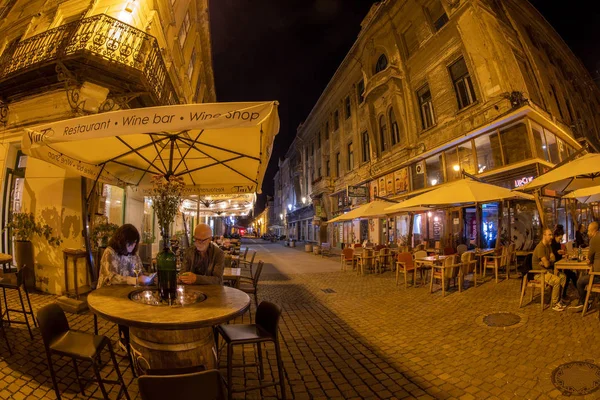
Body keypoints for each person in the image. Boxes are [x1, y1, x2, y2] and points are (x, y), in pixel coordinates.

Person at [97, 224, 153, 288]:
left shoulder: (134, 255)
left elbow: (141, 272)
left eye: (135, 242)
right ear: (122, 240)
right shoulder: (109, 253)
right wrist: (135, 280)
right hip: (107, 293)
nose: (133, 245)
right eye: (131, 242)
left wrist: (150, 277)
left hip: (126, 292)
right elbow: (110, 279)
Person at [532, 227, 567, 311]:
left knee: (563, 277)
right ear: (544, 235)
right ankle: (554, 304)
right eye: (549, 235)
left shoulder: (548, 246)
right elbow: (547, 264)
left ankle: (558, 300)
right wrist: (548, 261)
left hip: (546, 271)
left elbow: (553, 259)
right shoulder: (540, 247)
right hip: (539, 273)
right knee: (556, 280)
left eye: (551, 235)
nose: (551, 237)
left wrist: (547, 261)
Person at [571, 222, 600, 311]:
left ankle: (584, 303)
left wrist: (589, 261)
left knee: (580, 281)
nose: (587, 233)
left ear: (593, 231)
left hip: (597, 275)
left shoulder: (594, 240)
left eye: (588, 231)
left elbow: (589, 259)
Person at [550, 226, 577, 300]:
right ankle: (563, 295)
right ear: (555, 236)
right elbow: (552, 255)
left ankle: (579, 292)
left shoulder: (557, 243)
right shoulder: (551, 243)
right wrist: (558, 252)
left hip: (559, 264)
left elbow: (558, 254)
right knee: (568, 275)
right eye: (559, 238)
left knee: (572, 274)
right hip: (554, 266)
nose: (560, 240)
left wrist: (563, 254)